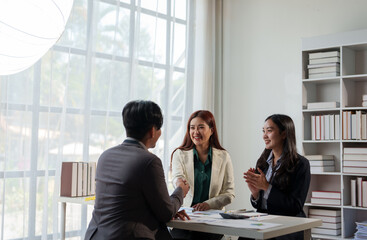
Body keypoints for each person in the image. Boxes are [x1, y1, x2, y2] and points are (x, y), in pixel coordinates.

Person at [85, 100, 190, 240]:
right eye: (159, 129)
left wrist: (168, 207)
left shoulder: (105, 155)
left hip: (95, 235)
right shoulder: (149, 161)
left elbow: (129, 202)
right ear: (152, 131)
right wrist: (180, 191)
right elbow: (166, 213)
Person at [241, 114, 310, 240]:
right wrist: (255, 194)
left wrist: (267, 187)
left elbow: (295, 206)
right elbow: (260, 206)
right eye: (263, 131)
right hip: (264, 220)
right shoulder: (262, 162)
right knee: (244, 237)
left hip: (288, 224)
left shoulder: (301, 164)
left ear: (284, 134)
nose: (264, 136)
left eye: (269, 131)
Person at [171, 110, 235, 240]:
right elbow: (177, 180)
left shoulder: (224, 156)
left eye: (201, 127)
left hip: (212, 221)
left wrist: (208, 204)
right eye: (192, 128)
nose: (195, 132)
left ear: (211, 130)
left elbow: (229, 194)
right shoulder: (180, 154)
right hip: (185, 219)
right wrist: (179, 184)